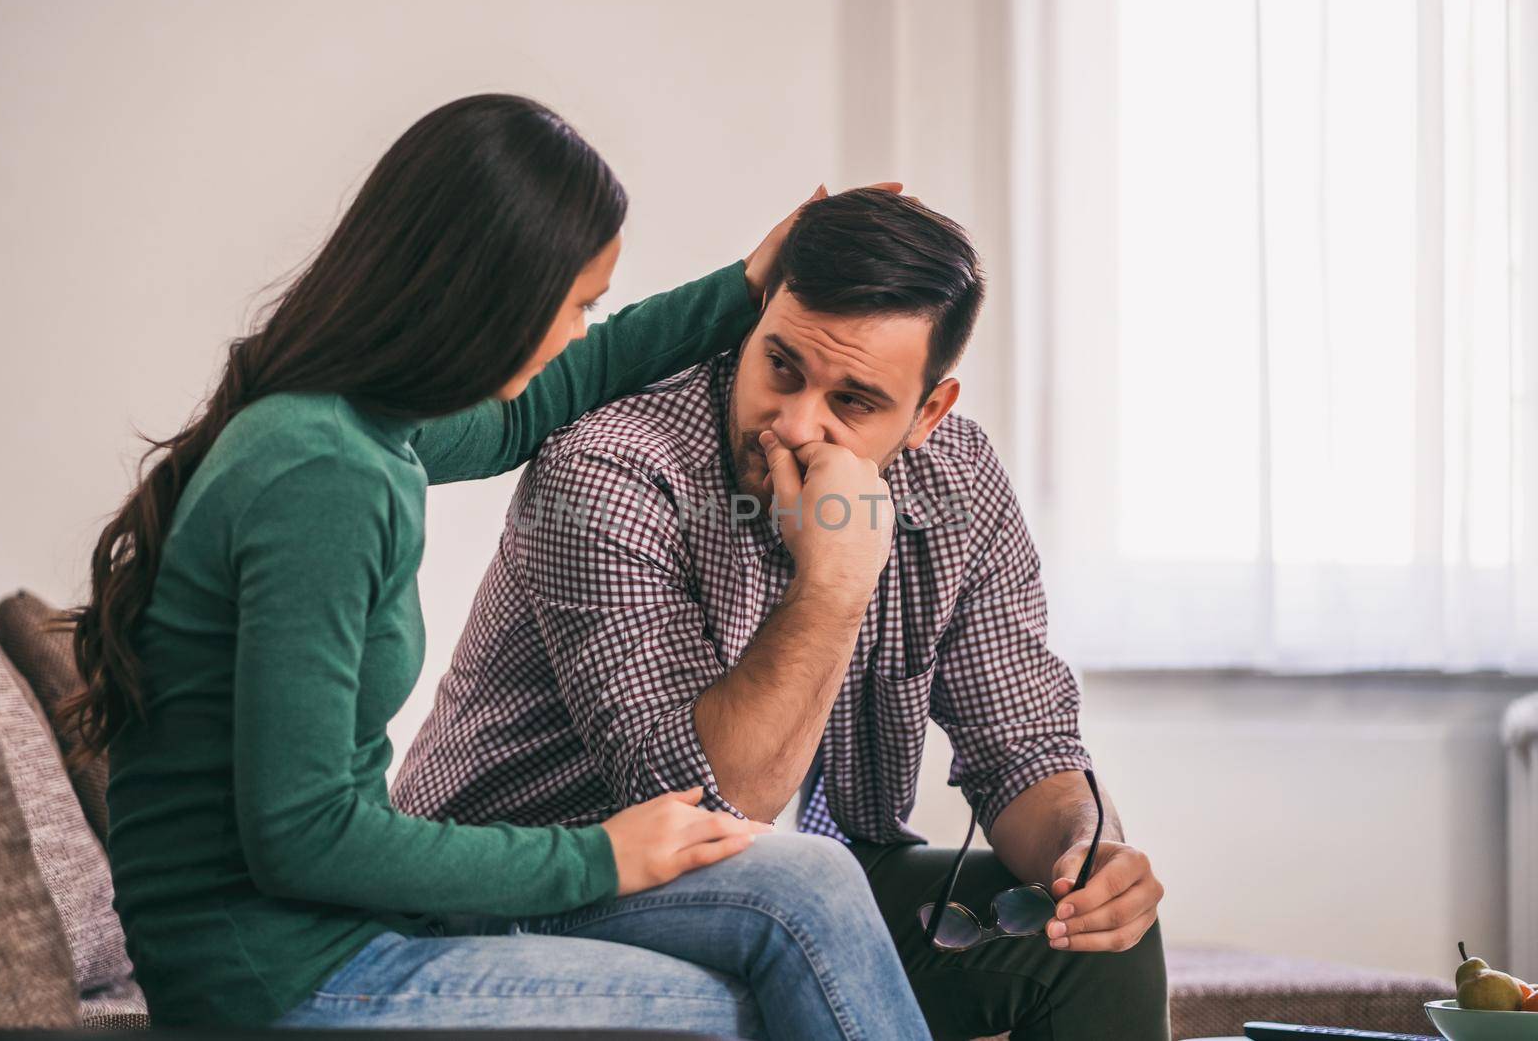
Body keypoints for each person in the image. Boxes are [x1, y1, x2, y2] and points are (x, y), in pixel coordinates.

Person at [61, 94, 930, 1039]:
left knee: (798, 905)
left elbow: (539, 402)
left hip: (322, 944)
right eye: (576, 305)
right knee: (742, 1003)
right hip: (274, 980)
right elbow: (303, 836)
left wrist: (741, 284)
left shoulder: (355, 422)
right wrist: (598, 856)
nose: (576, 333)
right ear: (492, 296)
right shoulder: (324, 472)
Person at [392, 187, 1170, 1041]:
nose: (795, 423)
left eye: (855, 401)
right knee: (801, 892)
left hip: (811, 883)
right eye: (782, 367)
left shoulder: (956, 479)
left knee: (1101, 939)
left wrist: (1086, 851)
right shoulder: (611, 470)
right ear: (757, 319)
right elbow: (704, 806)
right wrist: (835, 583)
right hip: (543, 886)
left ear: (927, 413)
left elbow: (1025, 744)